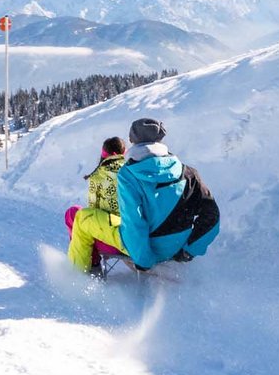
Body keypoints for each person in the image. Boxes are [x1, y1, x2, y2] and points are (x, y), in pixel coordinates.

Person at [115, 118, 219, 269]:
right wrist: (189, 251)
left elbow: (133, 221)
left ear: (132, 140)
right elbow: (212, 215)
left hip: (151, 251)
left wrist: (144, 261)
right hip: (179, 247)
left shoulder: (127, 174)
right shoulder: (188, 173)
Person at [64, 137, 128, 275]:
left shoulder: (98, 175)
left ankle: (89, 267)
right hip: (135, 232)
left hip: (115, 240)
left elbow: (95, 213)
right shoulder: (131, 170)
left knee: (75, 215)